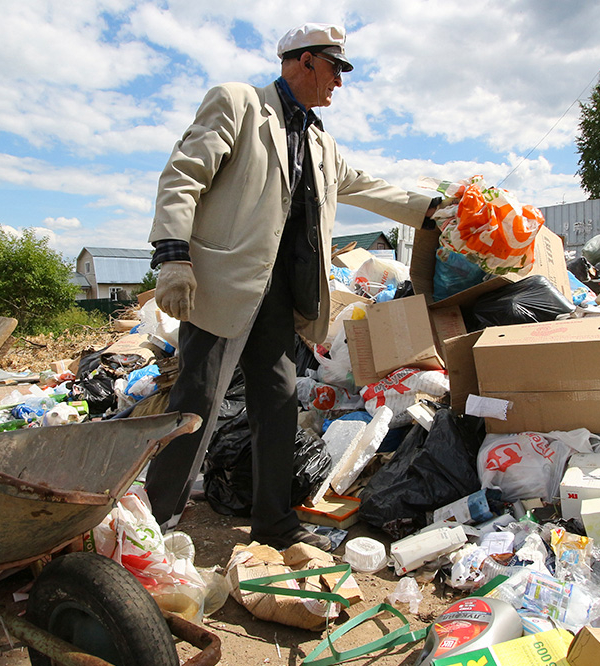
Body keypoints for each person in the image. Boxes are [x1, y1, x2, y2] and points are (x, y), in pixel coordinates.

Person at [145, 22, 438, 551]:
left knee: (277, 402)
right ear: (304, 61)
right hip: (224, 286)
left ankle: (274, 523)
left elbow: (371, 186)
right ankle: (153, 519)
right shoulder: (238, 105)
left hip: (282, 296)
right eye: (335, 68)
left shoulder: (322, 143)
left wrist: (433, 210)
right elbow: (182, 175)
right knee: (197, 399)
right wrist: (172, 256)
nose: (339, 84)